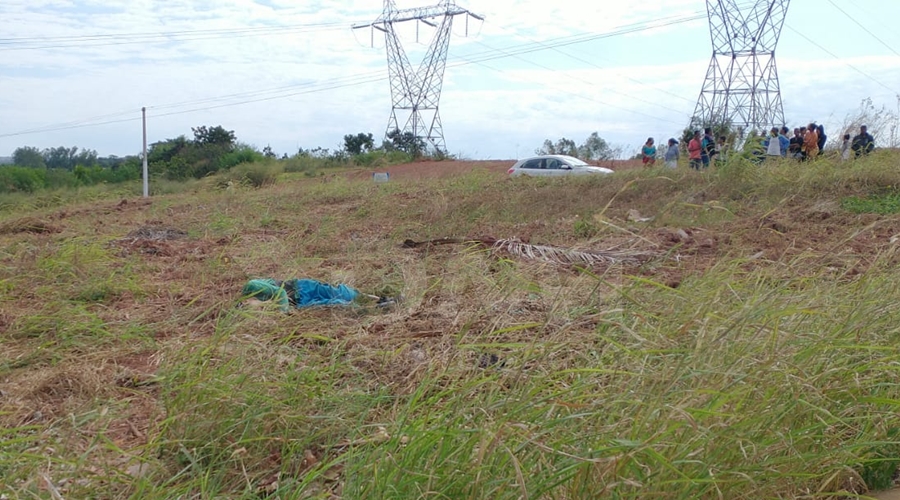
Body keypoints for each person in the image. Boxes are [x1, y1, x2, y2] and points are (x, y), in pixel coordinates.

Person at [240, 277, 397, 312]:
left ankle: (382, 299)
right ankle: (379, 308)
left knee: (342, 292)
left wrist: (283, 312)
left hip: (301, 289)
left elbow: (280, 293)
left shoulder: (252, 287)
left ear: (246, 302)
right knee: (335, 304)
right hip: (300, 305)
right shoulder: (261, 312)